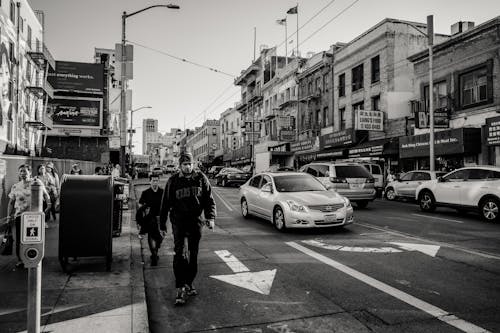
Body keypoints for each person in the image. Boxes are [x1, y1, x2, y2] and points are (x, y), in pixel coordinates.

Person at [160, 152, 216, 306]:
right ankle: (180, 286)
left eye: (189, 164)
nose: (187, 166)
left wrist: (210, 217)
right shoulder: (173, 181)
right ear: (180, 166)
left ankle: (189, 282)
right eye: (184, 164)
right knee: (179, 254)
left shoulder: (200, 178)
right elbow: (165, 204)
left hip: (195, 222)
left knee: (193, 254)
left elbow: (209, 200)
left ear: (193, 164)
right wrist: (162, 224)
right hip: (178, 221)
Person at [7, 165, 51, 268]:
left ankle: (37, 256)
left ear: (30, 172)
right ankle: (21, 259)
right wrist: (9, 215)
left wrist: (48, 205)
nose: (23, 173)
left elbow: (46, 195)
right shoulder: (15, 186)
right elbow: (11, 202)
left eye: (25, 171)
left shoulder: (36, 183)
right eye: (21, 171)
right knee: (20, 239)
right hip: (20, 216)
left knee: (35, 238)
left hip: (34, 218)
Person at [137, 175, 164, 266]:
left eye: (156, 181)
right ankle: (154, 255)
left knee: (160, 236)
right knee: (151, 236)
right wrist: (143, 214)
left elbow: (166, 204)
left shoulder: (162, 192)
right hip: (150, 218)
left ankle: (156, 250)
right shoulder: (146, 193)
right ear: (150, 182)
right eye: (153, 180)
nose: (155, 182)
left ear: (158, 181)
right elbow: (140, 204)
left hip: (160, 218)